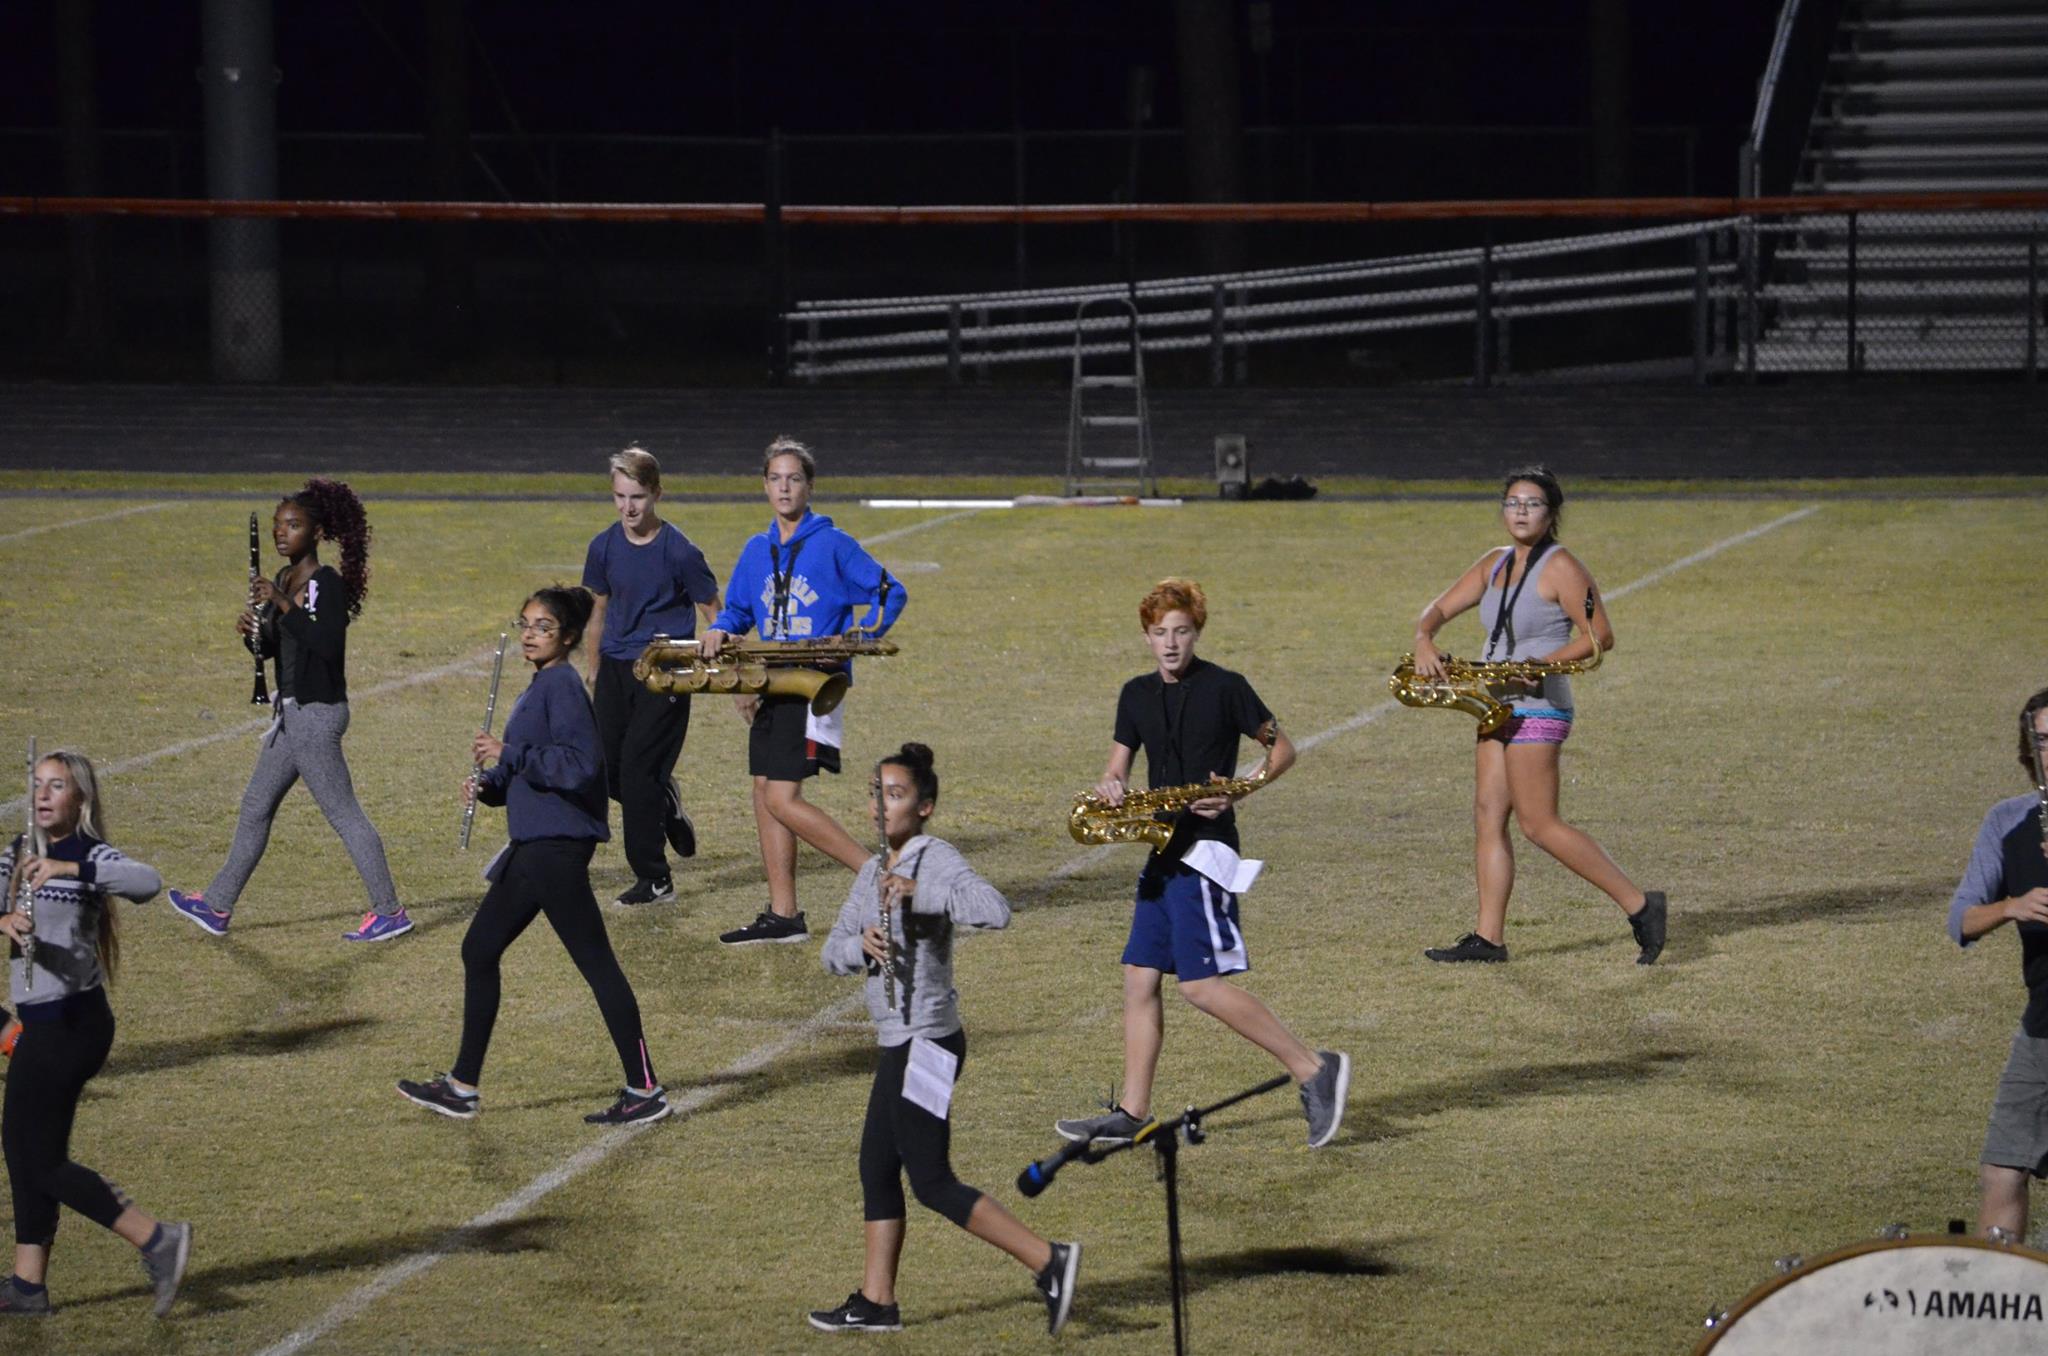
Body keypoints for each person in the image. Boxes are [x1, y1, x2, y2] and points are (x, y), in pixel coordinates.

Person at [1054, 579, 1350, 1150]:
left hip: (1206, 853)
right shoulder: (1134, 695)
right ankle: (1133, 1112)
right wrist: (1111, 786)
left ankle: (1314, 1068)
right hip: (1161, 852)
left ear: (1197, 633)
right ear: (1146, 636)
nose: (1170, 643)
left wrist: (1240, 788)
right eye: (1160, 632)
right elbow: (1116, 768)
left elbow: (1282, 748)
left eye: (1181, 631)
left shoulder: (1226, 687)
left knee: (1201, 987)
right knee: (1139, 977)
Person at [812, 743, 1080, 1336]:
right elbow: (830, 952)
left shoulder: (937, 859)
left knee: (931, 1180)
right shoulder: (869, 872)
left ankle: (1048, 1260)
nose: (882, 806)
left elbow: (995, 910)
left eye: (896, 795)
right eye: (877, 794)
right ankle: (877, 1301)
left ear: (924, 806)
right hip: (898, 1043)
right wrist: (859, 947)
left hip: (928, 1043)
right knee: (877, 1168)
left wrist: (920, 894)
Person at [398, 586, 668, 1126]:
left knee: (598, 966)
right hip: (534, 845)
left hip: (556, 848)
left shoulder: (563, 686)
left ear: (567, 637)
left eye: (543, 627)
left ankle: (645, 1089)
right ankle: (462, 1086)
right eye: (525, 623)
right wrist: (490, 784)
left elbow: (580, 766)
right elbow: (529, 770)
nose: (529, 634)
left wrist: (510, 753)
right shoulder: (541, 684)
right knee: (479, 949)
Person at [1409, 465, 1666, 965]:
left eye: (1532, 504)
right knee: (1488, 816)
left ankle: (1640, 905)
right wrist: (1424, 638)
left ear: (1552, 514)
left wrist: (1539, 665)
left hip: (1539, 706)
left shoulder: (1562, 567)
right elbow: (1436, 610)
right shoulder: (1494, 563)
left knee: (1539, 824)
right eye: (1512, 503)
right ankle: (1488, 939)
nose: (1520, 512)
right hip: (1496, 705)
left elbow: (1600, 636)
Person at [168, 479, 411, 943]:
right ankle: (217, 904)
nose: (282, 533)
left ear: (316, 533)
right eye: (278, 525)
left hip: (316, 715)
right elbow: (281, 648)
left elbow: (325, 643)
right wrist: (253, 633)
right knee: (256, 807)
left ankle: (389, 911)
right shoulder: (284, 579)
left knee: (344, 814)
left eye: (293, 525)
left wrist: (280, 604)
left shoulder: (323, 583)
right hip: (293, 714)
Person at [0, 751, 190, 1319]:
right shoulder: (16, 851)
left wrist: (68, 870)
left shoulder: (89, 854)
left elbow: (147, 882)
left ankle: (156, 1238)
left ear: (79, 798)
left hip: (72, 1026)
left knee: (37, 1160)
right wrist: (3, 920)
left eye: (57, 786)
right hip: (43, 1025)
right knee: (28, 1151)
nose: (43, 795)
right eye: (38, 784)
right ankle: (27, 1286)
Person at [697, 437, 907, 947]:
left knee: (782, 797)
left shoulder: (833, 544)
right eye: (776, 478)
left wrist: (858, 637)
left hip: (814, 685)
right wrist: (720, 629)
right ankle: (784, 914)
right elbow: (738, 610)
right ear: (765, 485)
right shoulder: (756, 549)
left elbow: (890, 591)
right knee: (763, 791)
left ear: (809, 486)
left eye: (794, 478)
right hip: (773, 681)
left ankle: (878, 876)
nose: (784, 487)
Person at [582, 446, 722, 908]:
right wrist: (593, 669)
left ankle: (654, 878)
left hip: (666, 670)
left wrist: (725, 658)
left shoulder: (679, 550)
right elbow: (598, 610)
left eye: (637, 497)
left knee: (639, 771)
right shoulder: (602, 546)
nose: (628, 507)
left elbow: (713, 610)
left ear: (657, 494)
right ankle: (666, 803)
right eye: (620, 496)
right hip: (615, 669)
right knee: (606, 771)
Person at [1950, 686, 2048, 1239]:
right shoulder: (2007, 822)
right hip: (2042, 1031)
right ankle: (1999, 1287)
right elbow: (1961, 920)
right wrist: (2010, 906)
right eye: (2044, 740)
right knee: (2002, 1170)